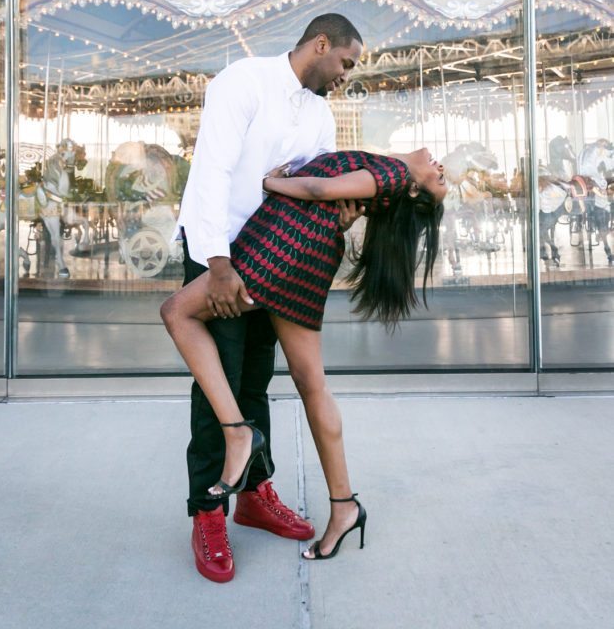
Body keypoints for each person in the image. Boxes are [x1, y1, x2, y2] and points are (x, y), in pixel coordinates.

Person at [162, 146, 446, 564]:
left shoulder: (395, 175)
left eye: (439, 181)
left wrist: (267, 182)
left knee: (176, 312)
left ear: (415, 190)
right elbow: (331, 187)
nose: (441, 168)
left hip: (284, 244)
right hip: (308, 252)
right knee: (311, 383)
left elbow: (318, 187)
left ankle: (237, 432)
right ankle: (344, 505)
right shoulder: (389, 169)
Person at [173, 14, 364, 583]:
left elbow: (314, 185)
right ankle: (208, 512)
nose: (345, 77)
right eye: (346, 63)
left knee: (255, 379)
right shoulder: (242, 82)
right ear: (320, 44)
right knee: (219, 389)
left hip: (274, 259)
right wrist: (218, 263)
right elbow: (212, 172)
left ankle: (254, 494)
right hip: (224, 256)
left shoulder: (321, 113)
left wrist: (341, 211)